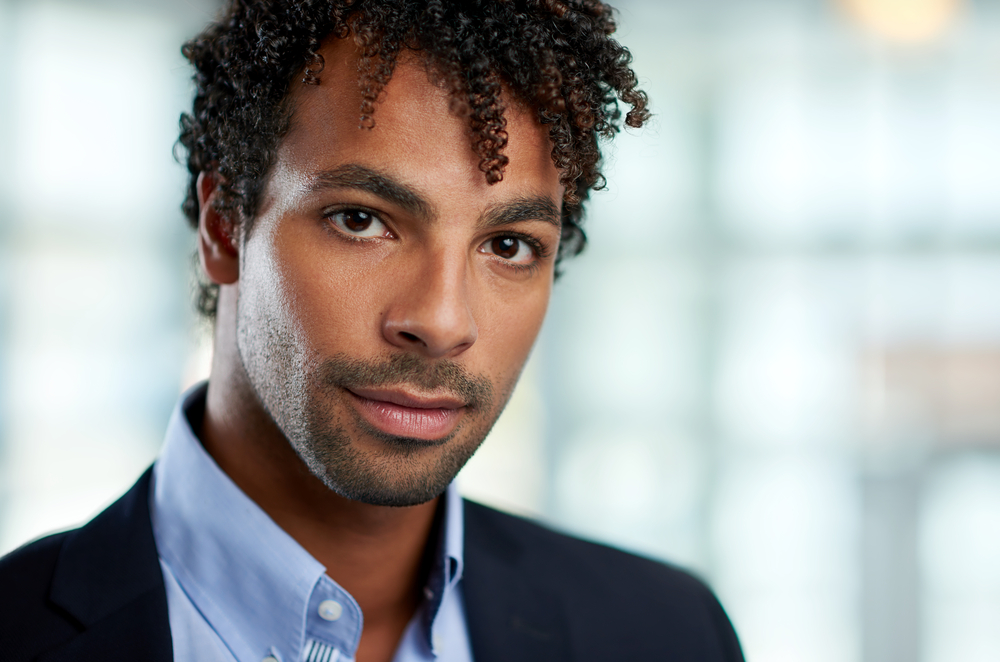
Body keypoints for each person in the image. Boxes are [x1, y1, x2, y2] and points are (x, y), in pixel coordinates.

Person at [0, 1, 744, 661]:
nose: (443, 321)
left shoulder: (668, 632)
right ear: (225, 224)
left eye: (509, 244)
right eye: (362, 221)